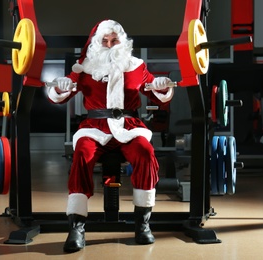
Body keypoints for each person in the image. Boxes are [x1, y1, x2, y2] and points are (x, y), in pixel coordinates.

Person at [46, 19, 175, 253]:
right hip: (94, 127)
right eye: (104, 41)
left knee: (145, 153)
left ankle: (142, 224)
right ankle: (77, 227)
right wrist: (61, 85)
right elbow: (58, 95)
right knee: (82, 154)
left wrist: (161, 85)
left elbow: (156, 92)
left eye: (114, 40)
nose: (109, 44)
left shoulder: (136, 65)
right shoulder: (84, 67)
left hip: (129, 125)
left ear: (122, 41)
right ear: (97, 43)